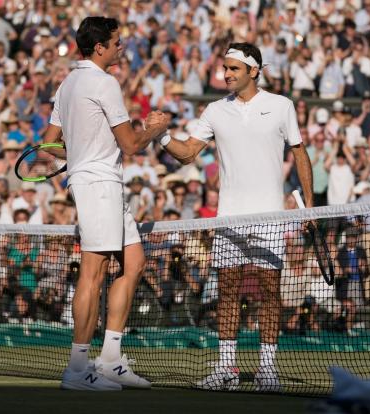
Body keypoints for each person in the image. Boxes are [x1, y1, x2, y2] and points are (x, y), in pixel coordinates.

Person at [160, 43, 314, 392]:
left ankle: (267, 370)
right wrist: (163, 136)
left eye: (233, 69)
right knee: (227, 292)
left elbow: (300, 153)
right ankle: (226, 367)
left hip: (269, 217)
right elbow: (187, 154)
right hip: (228, 218)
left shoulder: (281, 105)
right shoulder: (215, 110)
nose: (226, 74)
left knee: (269, 293)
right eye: (224, 69)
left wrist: (311, 204)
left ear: (253, 71)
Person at [42, 16, 168, 391]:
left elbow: (49, 144)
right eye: (116, 42)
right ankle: (77, 370)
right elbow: (131, 144)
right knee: (92, 274)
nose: (121, 48)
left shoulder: (67, 84)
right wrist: (156, 129)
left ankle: (110, 358)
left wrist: (78, 152)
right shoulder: (104, 82)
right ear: (100, 47)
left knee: (134, 261)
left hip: (103, 182)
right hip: (98, 185)